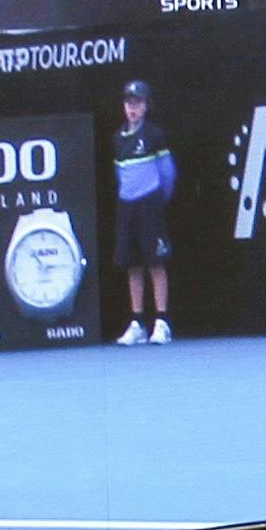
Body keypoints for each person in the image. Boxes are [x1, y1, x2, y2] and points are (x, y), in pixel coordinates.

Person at [109, 75, 176, 342]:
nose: (132, 108)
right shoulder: (117, 139)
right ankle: (137, 323)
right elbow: (119, 174)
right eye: (128, 103)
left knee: (155, 262)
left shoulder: (154, 135)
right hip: (127, 208)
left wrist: (158, 201)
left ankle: (161, 322)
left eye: (137, 103)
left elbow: (168, 173)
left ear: (146, 106)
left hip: (151, 205)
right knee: (132, 265)